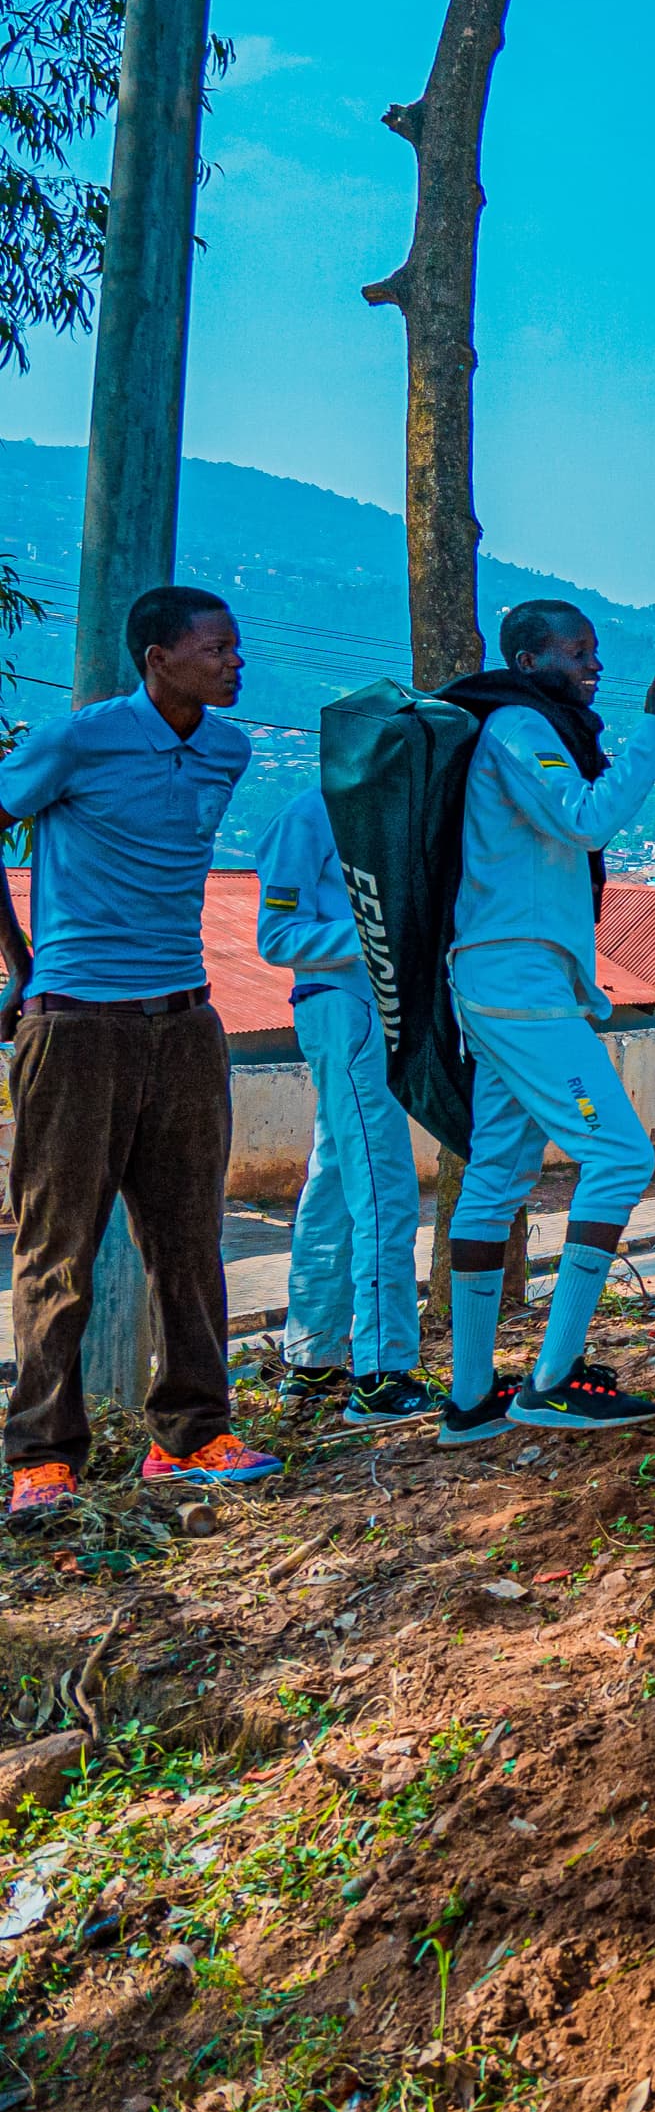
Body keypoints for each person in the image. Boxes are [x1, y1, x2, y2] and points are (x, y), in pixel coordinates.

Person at [0, 586, 276, 1518]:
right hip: (76, 1024)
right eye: (218, 649)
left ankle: (193, 1436)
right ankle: (43, 1456)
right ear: (157, 657)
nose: (237, 663)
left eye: (236, 648)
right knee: (57, 1248)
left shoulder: (229, 749)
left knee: (190, 1240)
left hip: (188, 1024)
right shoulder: (78, 740)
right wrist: (21, 966)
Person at [428, 601, 655, 1443]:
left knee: (498, 1179)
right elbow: (584, 817)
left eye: (594, 652)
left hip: (511, 972)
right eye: (576, 652)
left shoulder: (527, 723)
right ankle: (550, 1380)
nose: (594, 667)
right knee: (621, 1155)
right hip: (518, 978)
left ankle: (471, 1401)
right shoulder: (516, 724)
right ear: (527, 656)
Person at [254, 788, 434, 1427]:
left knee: (331, 1184)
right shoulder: (307, 815)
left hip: (372, 1011)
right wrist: (380, 935)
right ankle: (383, 1371)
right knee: (383, 1188)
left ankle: (312, 1360)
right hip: (343, 1007)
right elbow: (276, 936)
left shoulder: (385, 814)